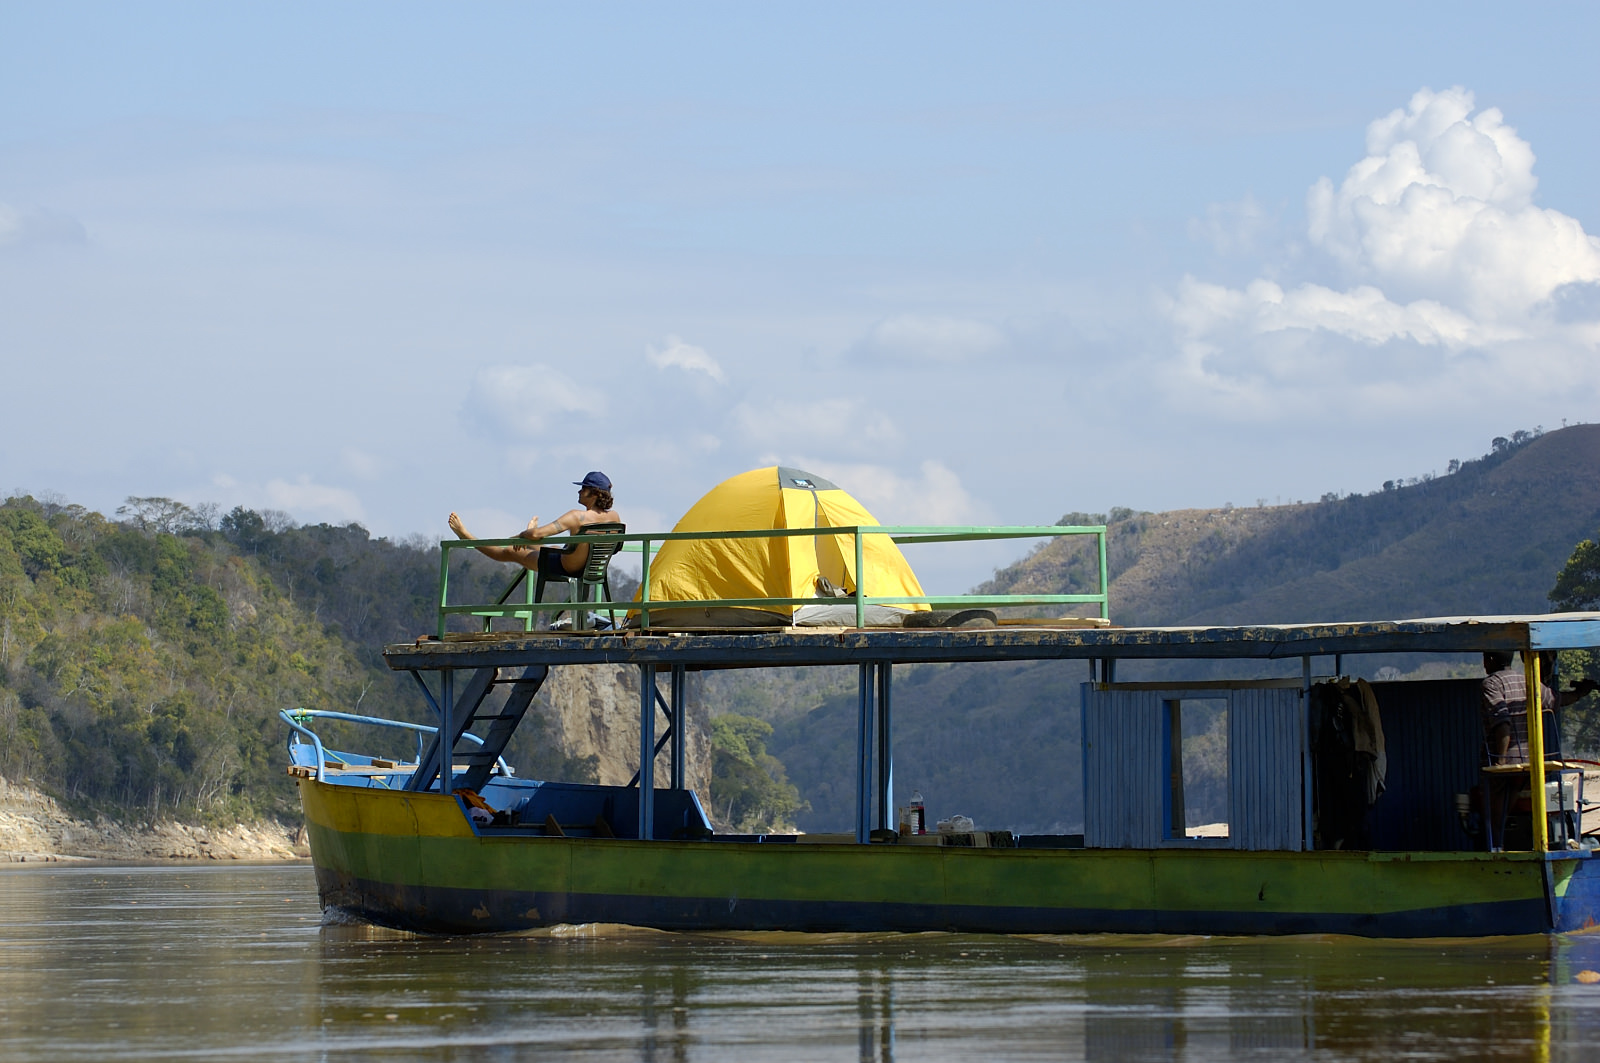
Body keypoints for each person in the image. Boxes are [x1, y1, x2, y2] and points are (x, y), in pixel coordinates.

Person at [448, 471, 621, 582]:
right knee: (550, 547)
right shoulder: (615, 518)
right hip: (594, 569)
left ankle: (467, 536)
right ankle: (529, 537)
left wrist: (523, 534)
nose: (579, 491)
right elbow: (616, 547)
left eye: (584, 488)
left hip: (567, 568)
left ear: (595, 493)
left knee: (511, 551)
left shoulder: (577, 517)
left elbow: (539, 533)